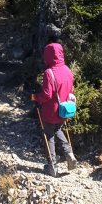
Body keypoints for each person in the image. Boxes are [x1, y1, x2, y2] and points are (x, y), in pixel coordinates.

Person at [31, 36, 78, 176]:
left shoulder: (49, 73)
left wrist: (35, 97)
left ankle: (52, 166)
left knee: (49, 135)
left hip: (51, 111)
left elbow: (46, 95)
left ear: (48, 56)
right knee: (58, 130)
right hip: (64, 110)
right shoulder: (67, 70)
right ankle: (69, 153)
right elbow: (71, 90)